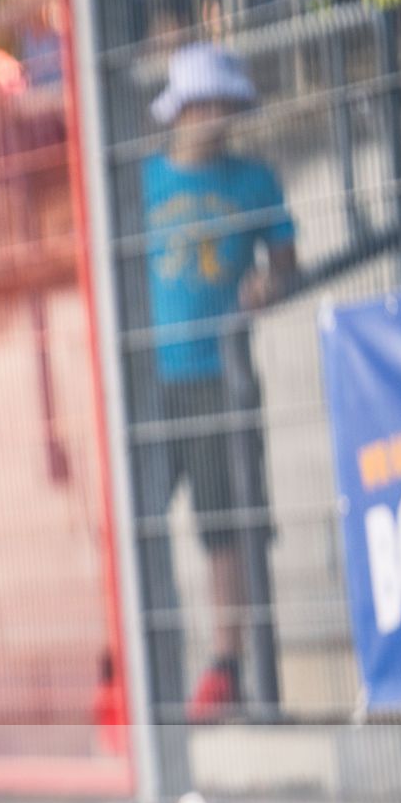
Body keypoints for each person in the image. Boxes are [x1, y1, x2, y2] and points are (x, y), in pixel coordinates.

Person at [141, 43, 297, 721]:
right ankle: (134, 669)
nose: (216, 117)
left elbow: (286, 262)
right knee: (135, 519)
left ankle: (224, 665)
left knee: (225, 527)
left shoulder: (255, 181)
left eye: (223, 105)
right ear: (181, 109)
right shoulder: (138, 181)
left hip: (219, 377)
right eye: (203, 104)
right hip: (145, 380)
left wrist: (270, 282)